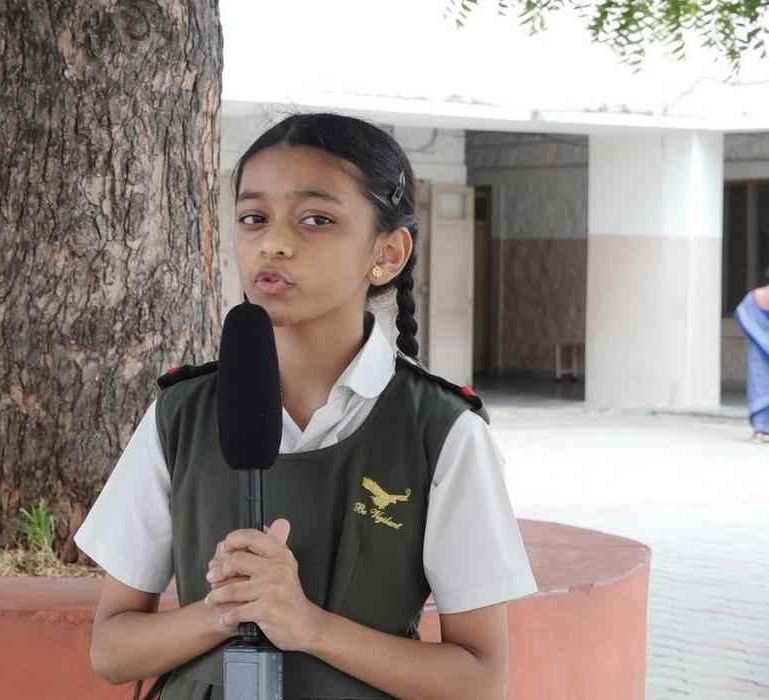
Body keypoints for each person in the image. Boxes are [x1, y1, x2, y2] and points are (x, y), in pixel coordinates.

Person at [75, 113, 537, 700]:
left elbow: (481, 681)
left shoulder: (442, 431)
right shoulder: (181, 415)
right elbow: (112, 651)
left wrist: (308, 626)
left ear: (388, 253)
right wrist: (225, 609)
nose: (273, 242)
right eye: (254, 218)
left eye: (316, 219)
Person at [734, 282, 769, 444]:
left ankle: (761, 430)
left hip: (759, 346)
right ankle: (761, 429)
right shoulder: (755, 296)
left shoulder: (755, 296)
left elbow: (743, 315)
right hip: (760, 350)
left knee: (760, 386)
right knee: (760, 385)